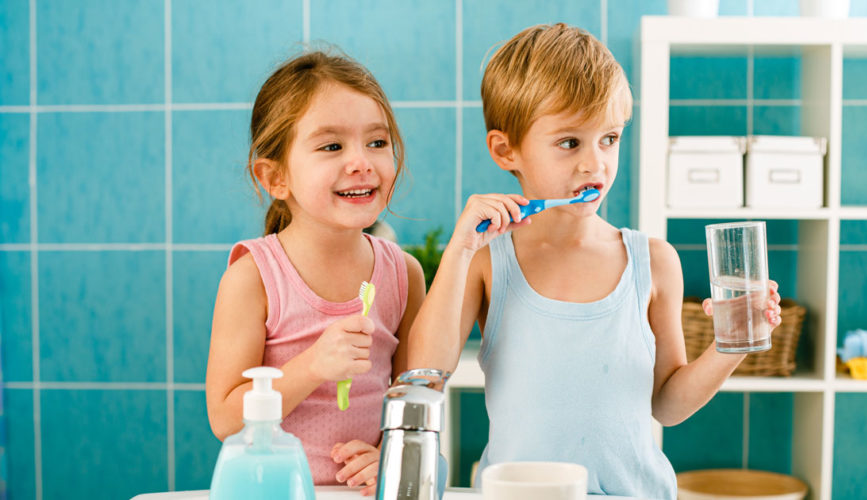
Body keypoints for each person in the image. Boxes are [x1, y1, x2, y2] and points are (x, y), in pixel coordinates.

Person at [407, 23, 782, 499]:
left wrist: (734, 344)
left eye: (609, 138)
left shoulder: (652, 261)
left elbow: (666, 405)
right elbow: (423, 377)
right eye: (570, 143)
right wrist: (459, 250)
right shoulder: (487, 260)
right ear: (507, 150)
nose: (595, 164)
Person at [205, 51, 426, 496]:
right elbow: (225, 418)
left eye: (377, 143)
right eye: (332, 146)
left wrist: (391, 454)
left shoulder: (404, 274)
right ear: (274, 177)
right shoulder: (253, 278)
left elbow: (412, 406)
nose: (362, 161)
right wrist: (312, 366)